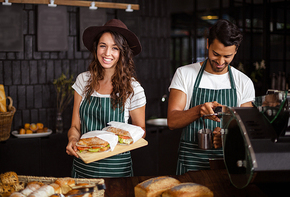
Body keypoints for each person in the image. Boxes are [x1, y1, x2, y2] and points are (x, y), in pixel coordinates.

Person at [167, 19, 255, 174]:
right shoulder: (185, 74)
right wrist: (199, 110)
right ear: (208, 44)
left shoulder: (243, 82)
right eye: (216, 54)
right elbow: (172, 121)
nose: (220, 61)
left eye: (227, 56)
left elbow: (248, 130)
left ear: (236, 51)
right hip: (190, 163)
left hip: (228, 165)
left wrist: (228, 138)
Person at [65, 19, 146, 178]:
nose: (107, 53)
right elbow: (75, 126)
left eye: (115, 48)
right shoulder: (83, 81)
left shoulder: (133, 88)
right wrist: (73, 139)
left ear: (122, 53)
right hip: (83, 168)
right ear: (96, 48)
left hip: (117, 170)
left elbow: (140, 131)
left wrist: (117, 140)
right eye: (103, 45)